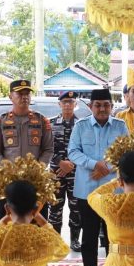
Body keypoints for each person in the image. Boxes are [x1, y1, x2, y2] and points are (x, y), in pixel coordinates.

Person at [0, 78, 56, 266]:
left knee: (37, 229)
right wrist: (9, 170)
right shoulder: (0, 122)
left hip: (35, 185)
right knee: (7, 229)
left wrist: (36, 169)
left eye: (27, 93)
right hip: (9, 185)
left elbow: (48, 149)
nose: (24, 97)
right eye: (20, 94)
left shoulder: (41, 121)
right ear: (11, 96)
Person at [68, 88, 129, 266]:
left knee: (114, 236)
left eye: (106, 105)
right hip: (88, 191)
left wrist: (106, 167)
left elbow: (126, 153)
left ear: (111, 106)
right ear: (91, 106)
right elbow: (73, 152)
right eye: (98, 105)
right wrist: (94, 164)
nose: (102, 109)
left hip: (114, 192)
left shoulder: (120, 126)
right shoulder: (81, 126)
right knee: (89, 236)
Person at [49, 91, 82, 251]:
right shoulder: (50, 124)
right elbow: (47, 147)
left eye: (71, 102)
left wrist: (71, 164)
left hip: (76, 173)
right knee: (55, 206)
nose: (68, 105)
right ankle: (55, 241)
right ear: (59, 104)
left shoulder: (82, 125)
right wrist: (60, 163)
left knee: (76, 207)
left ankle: (75, 240)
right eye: (65, 102)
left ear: (76, 104)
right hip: (56, 173)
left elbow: (84, 148)